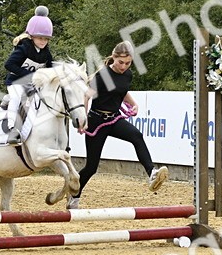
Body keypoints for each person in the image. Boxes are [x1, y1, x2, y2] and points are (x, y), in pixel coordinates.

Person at [68, 41, 167, 209]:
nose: (124, 66)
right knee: (91, 167)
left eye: (128, 63)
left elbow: (122, 90)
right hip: (96, 121)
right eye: (121, 62)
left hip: (114, 119)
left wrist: (133, 103)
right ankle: (74, 195)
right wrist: (83, 119)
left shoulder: (128, 75)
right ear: (114, 58)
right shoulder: (103, 76)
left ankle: (152, 173)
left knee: (136, 135)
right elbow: (86, 96)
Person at [3, 6, 55, 144]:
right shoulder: (23, 48)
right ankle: (12, 129)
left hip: (32, 85)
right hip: (15, 81)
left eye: (46, 39)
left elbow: (51, 67)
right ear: (31, 36)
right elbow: (8, 65)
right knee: (16, 97)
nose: (43, 41)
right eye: (40, 38)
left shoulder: (46, 53)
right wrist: (31, 75)